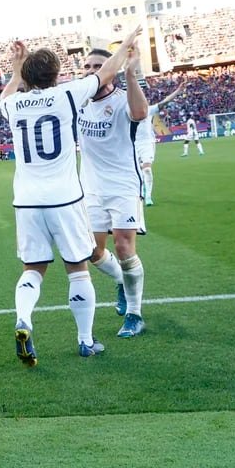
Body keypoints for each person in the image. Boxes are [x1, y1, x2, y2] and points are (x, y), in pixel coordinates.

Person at [0, 27, 141, 366]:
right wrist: (127, 44)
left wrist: (16, 68)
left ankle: (23, 320)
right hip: (64, 199)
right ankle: (86, 340)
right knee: (78, 270)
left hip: (27, 201)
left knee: (32, 269)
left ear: (26, 77)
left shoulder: (14, 105)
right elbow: (108, 72)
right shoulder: (67, 95)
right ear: (58, 75)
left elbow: (4, 96)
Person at [77, 48, 148, 339]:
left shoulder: (121, 100)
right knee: (92, 252)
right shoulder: (78, 99)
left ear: (110, 68)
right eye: (87, 66)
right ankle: (120, 281)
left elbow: (141, 113)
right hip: (90, 188)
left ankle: (134, 314)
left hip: (122, 185)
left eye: (98, 65)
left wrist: (130, 73)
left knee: (123, 248)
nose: (92, 70)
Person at [135, 81, 185, 205]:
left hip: (147, 143)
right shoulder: (128, 112)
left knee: (147, 169)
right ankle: (140, 192)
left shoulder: (149, 110)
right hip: (133, 145)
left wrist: (178, 90)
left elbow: (165, 101)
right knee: (135, 172)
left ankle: (148, 197)